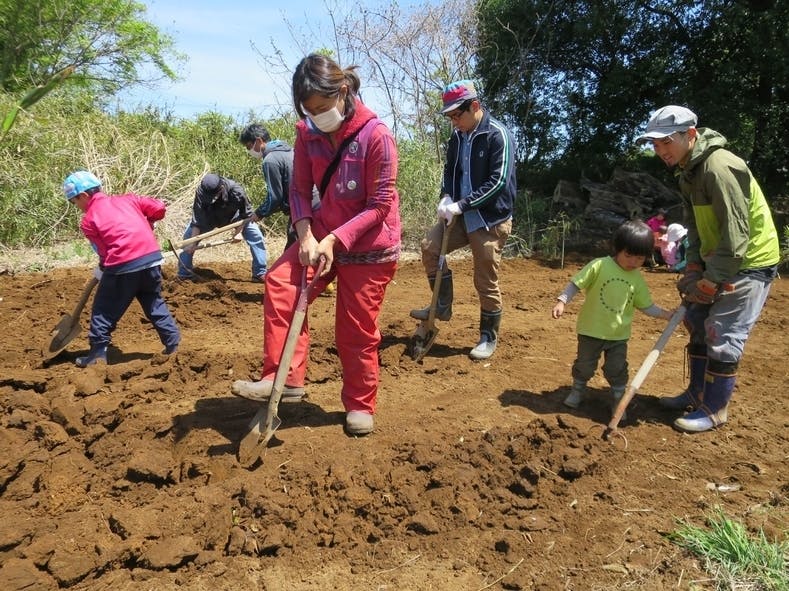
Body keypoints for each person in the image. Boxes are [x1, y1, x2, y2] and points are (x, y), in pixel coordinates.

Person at [231, 53, 401, 436]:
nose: (318, 117)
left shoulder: (377, 136)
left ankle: (360, 404)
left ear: (343, 91)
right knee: (281, 282)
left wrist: (335, 240)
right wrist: (306, 234)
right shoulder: (306, 134)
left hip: (369, 245)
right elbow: (298, 190)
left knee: (354, 329)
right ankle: (283, 378)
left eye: (323, 108)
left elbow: (379, 205)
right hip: (322, 232)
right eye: (310, 111)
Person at [635, 105, 780, 433]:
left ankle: (715, 409)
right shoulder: (688, 171)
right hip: (717, 258)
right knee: (697, 320)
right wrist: (693, 266)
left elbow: (737, 233)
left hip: (748, 261)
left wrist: (712, 280)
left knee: (722, 332)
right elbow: (696, 226)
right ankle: (696, 393)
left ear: (690, 134)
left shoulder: (718, 166)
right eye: (655, 144)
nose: (660, 151)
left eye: (666, 142)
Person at [409, 80, 517, 360]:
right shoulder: (457, 137)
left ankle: (488, 337)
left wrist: (461, 205)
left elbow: (498, 182)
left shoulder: (498, 136)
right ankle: (442, 306)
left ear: (475, 106)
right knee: (430, 247)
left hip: (489, 219)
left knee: (485, 279)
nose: (454, 122)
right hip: (459, 215)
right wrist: (446, 196)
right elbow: (450, 170)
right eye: (450, 117)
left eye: (457, 115)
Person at [552, 220, 674, 419]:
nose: (633, 262)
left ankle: (618, 399)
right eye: (628, 255)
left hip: (618, 336)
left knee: (617, 369)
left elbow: (646, 306)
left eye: (639, 258)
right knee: (584, 366)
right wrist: (562, 301)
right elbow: (576, 283)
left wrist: (666, 315)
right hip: (591, 331)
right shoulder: (600, 265)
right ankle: (578, 390)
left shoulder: (637, 279)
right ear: (618, 249)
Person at [62, 170, 181, 367]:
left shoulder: (89, 220)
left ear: (83, 196)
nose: (77, 206)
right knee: (154, 303)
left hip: (123, 265)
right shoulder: (129, 199)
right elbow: (159, 207)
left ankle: (96, 355)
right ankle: (174, 345)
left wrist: (103, 268)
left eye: (74, 202)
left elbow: (103, 251)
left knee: (103, 310)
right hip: (151, 260)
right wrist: (149, 220)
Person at [177, 174, 267, 282]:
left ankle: (259, 273)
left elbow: (246, 216)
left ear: (221, 188)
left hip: (234, 218)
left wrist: (238, 233)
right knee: (188, 238)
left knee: (256, 235)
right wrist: (192, 243)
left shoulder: (236, 191)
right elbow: (197, 219)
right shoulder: (201, 191)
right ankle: (185, 274)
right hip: (209, 218)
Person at [239, 123, 299, 247]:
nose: (249, 151)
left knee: (293, 254)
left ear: (259, 141)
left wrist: (259, 213)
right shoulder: (292, 151)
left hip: (300, 211)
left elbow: (275, 197)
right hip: (312, 206)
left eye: (249, 146)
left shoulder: (270, 160)